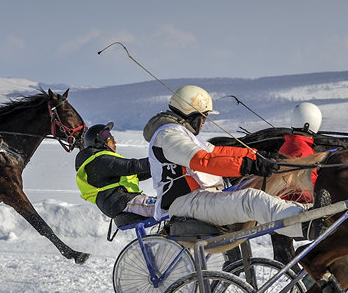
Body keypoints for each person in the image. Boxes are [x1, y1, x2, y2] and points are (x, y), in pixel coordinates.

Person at [142, 85, 312, 238]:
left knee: (256, 189)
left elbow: (218, 151)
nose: (204, 122)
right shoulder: (168, 136)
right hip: (185, 203)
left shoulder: (181, 133)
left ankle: (306, 212)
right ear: (193, 115)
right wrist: (248, 166)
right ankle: (304, 226)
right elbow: (203, 160)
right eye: (204, 117)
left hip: (199, 197)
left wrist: (258, 155)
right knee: (251, 199)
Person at [75, 121, 156, 221]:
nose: (114, 142)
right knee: (168, 208)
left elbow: (136, 173)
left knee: (170, 204)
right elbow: (131, 166)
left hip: (124, 200)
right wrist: (161, 159)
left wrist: (160, 167)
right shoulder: (100, 161)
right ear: (99, 142)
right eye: (110, 139)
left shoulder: (100, 161)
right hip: (121, 201)